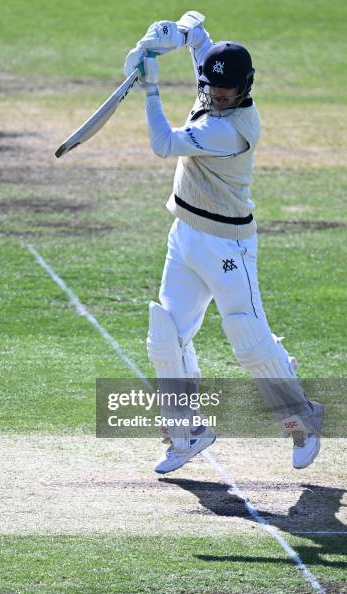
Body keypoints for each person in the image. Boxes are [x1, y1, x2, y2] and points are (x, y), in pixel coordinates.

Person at [124, 12, 323, 475]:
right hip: (186, 233)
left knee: (248, 339)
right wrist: (171, 37)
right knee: (165, 332)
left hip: (227, 245)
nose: (215, 96)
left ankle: (302, 416)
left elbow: (163, 143)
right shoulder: (214, 85)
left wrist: (150, 88)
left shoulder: (229, 130)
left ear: (244, 89)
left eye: (225, 92)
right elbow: (200, 40)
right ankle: (186, 430)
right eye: (210, 88)